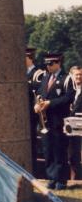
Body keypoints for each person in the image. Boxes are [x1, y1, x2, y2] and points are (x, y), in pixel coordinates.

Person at [35, 52, 74, 189]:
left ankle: (61, 180)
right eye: (46, 64)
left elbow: (68, 98)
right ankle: (51, 178)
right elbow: (39, 94)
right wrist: (37, 104)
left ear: (58, 63)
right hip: (46, 121)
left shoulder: (66, 79)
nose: (48, 67)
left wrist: (50, 103)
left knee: (59, 150)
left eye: (50, 64)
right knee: (48, 150)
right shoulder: (45, 78)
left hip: (58, 121)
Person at [25, 47, 45, 174]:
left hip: (32, 115)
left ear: (28, 57)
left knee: (32, 143)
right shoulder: (21, 72)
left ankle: (34, 171)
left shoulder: (38, 74)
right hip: (22, 114)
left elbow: (39, 94)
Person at [68, 66, 82, 180]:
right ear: (71, 76)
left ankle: (77, 178)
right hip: (68, 128)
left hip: (80, 127)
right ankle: (72, 178)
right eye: (76, 74)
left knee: (77, 153)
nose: (78, 77)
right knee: (71, 154)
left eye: (80, 75)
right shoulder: (68, 91)